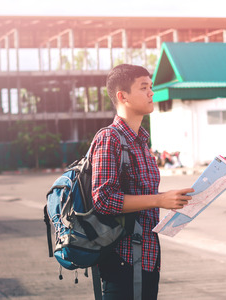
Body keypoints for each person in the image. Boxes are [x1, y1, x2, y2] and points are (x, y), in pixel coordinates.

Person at [90, 64, 194, 299]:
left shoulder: (142, 144)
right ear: (122, 96)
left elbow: (143, 201)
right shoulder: (110, 138)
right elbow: (103, 199)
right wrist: (160, 200)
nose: (151, 93)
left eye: (151, 87)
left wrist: (172, 201)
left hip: (148, 257)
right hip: (121, 259)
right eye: (144, 87)